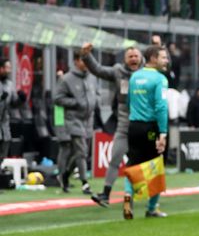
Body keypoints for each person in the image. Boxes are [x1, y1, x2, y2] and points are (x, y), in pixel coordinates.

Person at [81, 43, 143, 207]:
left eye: (136, 56)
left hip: (142, 126)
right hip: (123, 126)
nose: (133, 59)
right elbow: (98, 70)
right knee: (115, 158)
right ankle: (105, 194)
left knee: (142, 163)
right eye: (130, 56)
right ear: (125, 59)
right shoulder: (118, 72)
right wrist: (86, 56)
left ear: (141, 58)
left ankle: (148, 197)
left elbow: (164, 67)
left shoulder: (148, 73)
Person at [122, 45, 169, 220]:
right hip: (151, 127)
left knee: (133, 164)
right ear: (153, 59)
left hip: (134, 126)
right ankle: (151, 208)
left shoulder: (134, 76)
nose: (166, 61)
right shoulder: (160, 79)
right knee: (156, 167)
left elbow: (128, 102)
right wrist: (162, 132)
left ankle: (128, 195)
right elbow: (161, 107)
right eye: (163, 57)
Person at [54, 53, 97, 194]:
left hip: (88, 119)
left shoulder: (92, 77)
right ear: (76, 62)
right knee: (78, 150)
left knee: (82, 152)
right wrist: (75, 103)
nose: (86, 63)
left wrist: (94, 102)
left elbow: (94, 95)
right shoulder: (66, 79)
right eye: (83, 60)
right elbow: (57, 99)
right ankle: (85, 183)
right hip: (72, 119)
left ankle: (66, 174)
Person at [1, 58, 27, 160]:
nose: (9, 70)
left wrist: (21, 99)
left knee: (4, 153)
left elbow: (13, 104)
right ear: (1, 68)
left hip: (4, 125)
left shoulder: (9, 84)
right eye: (7, 68)